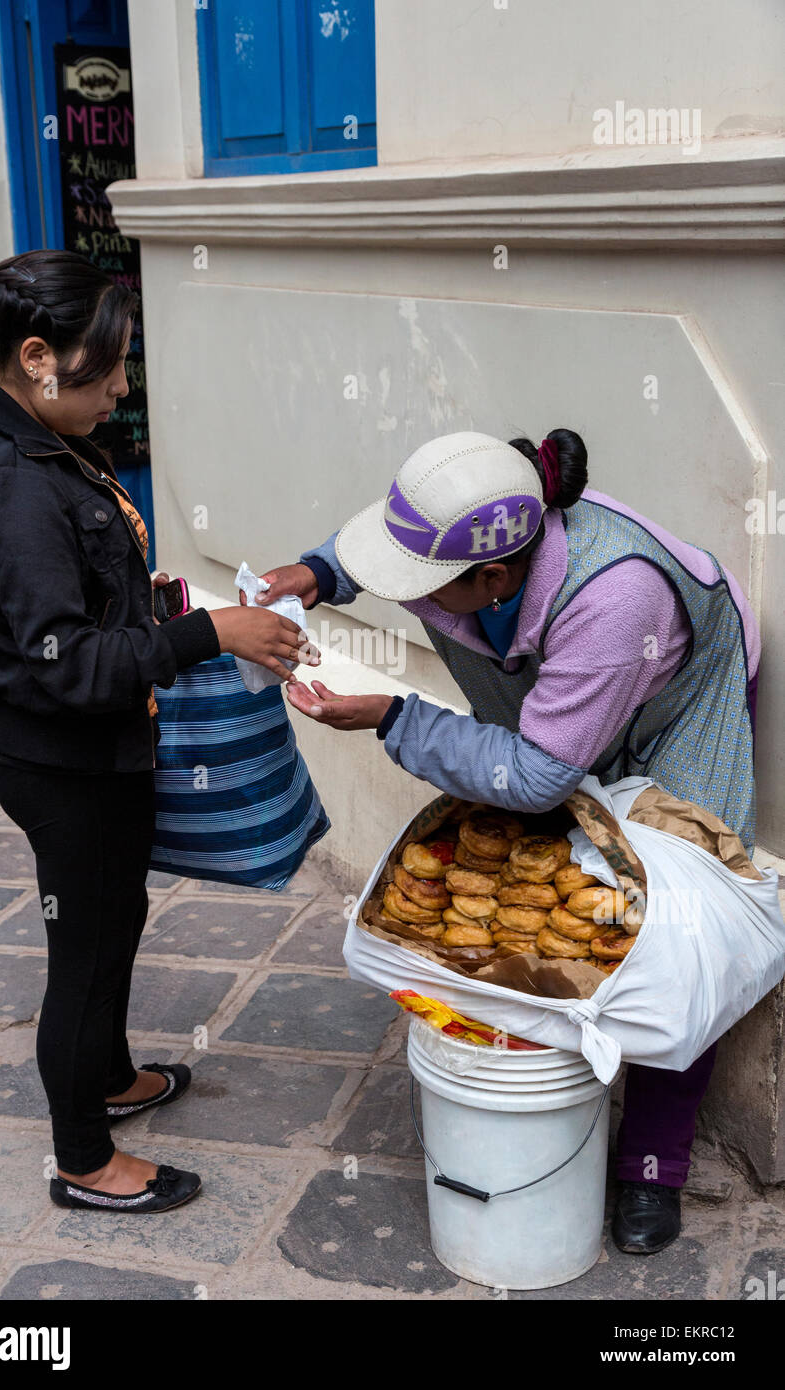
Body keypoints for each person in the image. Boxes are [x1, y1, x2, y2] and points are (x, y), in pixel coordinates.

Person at [250, 429, 760, 1255]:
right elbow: (386, 544)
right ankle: (535, 1061)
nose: (399, 590)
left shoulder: (614, 601)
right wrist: (318, 574)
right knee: (540, 893)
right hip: (558, 712)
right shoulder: (460, 523)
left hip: (672, 710)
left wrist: (392, 717)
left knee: (672, 940)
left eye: (417, 587)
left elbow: (534, 777)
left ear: (494, 578)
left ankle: (652, 1163)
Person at [0, 250, 314, 1214]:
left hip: (74, 747)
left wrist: (139, 601)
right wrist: (208, 633)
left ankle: (108, 1077)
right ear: (35, 357)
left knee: (114, 916)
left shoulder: (17, 426)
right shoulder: (15, 481)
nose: (119, 389)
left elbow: (65, 602)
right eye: (105, 369)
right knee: (87, 944)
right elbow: (65, 665)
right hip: (57, 757)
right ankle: (84, 1161)